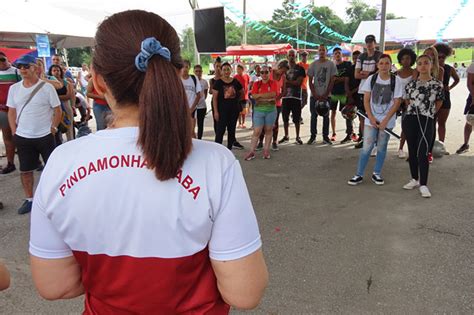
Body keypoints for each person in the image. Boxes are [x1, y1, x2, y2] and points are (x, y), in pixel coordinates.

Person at [29, 10, 267, 313]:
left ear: (99, 82)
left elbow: (56, 285)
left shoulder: (62, 162)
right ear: (177, 71)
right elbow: (244, 293)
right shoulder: (216, 163)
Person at [6, 54, 61, 214]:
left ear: (35, 68)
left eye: (26, 66)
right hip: (24, 136)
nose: (23, 70)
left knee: (51, 169)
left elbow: (57, 110)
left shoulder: (47, 87)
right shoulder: (14, 89)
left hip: (45, 135)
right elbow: (11, 112)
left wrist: (54, 128)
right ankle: (29, 199)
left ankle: (54, 199)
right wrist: (14, 131)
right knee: (25, 170)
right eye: (20, 67)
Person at [347, 54, 403, 186]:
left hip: (387, 121)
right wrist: (371, 118)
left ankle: (376, 173)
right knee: (367, 147)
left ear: (391, 65)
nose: (384, 66)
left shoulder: (396, 80)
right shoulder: (371, 79)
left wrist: (385, 121)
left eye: (387, 63)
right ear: (377, 65)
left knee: (382, 147)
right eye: (381, 63)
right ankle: (358, 174)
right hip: (370, 120)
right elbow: (366, 99)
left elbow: (397, 102)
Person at [402, 55, 444, 198]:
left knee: (423, 152)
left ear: (431, 65)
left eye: (426, 63)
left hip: (427, 120)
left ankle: (424, 184)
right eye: (420, 64)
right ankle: (414, 179)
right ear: (417, 67)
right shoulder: (411, 84)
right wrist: (414, 112)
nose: (423, 66)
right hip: (410, 119)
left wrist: (429, 113)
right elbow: (407, 101)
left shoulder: (437, 84)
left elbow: (439, 102)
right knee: (412, 151)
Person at [354, 34, 383, 149]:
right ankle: (365, 139)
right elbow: (356, 74)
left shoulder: (379, 55)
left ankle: (375, 141)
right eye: (367, 42)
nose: (369, 44)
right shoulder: (361, 56)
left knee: (375, 116)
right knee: (362, 116)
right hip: (363, 90)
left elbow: (380, 72)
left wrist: (366, 74)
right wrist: (371, 74)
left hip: (376, 90)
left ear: (375, 43)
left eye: (371, 42)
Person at [244, 65, 278, 160]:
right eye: (262, 72)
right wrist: (267, 98)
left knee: (268, 130)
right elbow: (254, 96)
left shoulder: (273, 83)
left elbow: (273, 95)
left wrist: (260, 97)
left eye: (266, 72)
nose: (264, 74)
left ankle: (266, 150)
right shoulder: (256, 83)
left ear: (269, 73)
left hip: (270, 111)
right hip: (259, 111)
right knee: (257, 131)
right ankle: (251, 151)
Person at [307, 44, 337, 145]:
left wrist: (326, 93)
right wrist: (315, 94)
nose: (321, 52)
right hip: (314, 96)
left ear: (326, 51)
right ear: (318, 52)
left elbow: (332, 81)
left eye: (323, 50)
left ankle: (325, 137)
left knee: (326, 116)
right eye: (320, 50)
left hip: (327, 95)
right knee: (313, 116)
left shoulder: (331, 64)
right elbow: (310, 81)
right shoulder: (313, 64)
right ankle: (312, 136)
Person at [213, 62, 245, 150]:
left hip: (233, 111)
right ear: (221, 71)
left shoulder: (235, 81)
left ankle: (229, 150)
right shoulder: (218, 83)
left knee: (231, 131)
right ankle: (217, 150)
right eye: (224, 70)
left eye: (228, 69)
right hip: (222, 111)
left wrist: (237, 100)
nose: (226, 71)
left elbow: (242, 92)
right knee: (220, 131)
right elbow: (214, 99)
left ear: (231, 70)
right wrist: (216, 112)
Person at [433, 43, 460, 149]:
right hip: (433, 98)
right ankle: (430, 145)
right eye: (438, 57)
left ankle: (441, 146)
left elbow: (457, 79)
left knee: (442, 123)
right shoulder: (431, 68)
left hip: (445, 97)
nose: (440, 59)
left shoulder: (449, 68)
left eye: (443, 57)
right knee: (431, 124)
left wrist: (450, 87)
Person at [0, 51, 21, 174]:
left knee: (14, 136)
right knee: (7, 137)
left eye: (2, 59)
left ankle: (12, 162)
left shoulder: (16, 72)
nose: (1, 62)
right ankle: (10, 163)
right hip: (2, 109)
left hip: (12, 109)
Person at [278, 49, 306, 145]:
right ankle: (286, 136)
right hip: (285, 97)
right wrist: (288, 83)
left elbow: (298, 83)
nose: (291, 57)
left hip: (296, 96)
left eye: (293, 55)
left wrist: (287, 82)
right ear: (287, 57)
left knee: (296, 118)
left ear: (295, 56)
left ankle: (298, 137)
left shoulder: (300, 69)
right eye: (289, 55)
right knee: (285, 117)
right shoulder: (283, 68)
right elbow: (279, 81)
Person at [395, 48, 417, 159]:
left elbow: (413, 88)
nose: (405, 60)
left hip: (409, 102)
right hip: (397, 101)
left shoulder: (415, 72)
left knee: (407, 127)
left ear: (412, 59)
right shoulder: (396, 73)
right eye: (403, 58)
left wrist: (406, 99)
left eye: (408, 58)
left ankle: (402, 148)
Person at [329, 47, 352, 143]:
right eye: (335, 53)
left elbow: (348, 78)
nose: (337, 55)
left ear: (342, 54)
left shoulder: (347, 64)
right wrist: (340, 79)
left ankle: (350, 133)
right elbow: (331, 80)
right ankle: (334, 133)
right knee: (333, 113)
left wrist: (337, 79)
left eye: (339, 53)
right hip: (334, 93)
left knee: (348, 114)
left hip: (344, 93)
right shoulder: (331, 67)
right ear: (333, 56)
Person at [48, 64, 75, 142]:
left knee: (68, 127)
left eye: (58, 70)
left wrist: (54, 98)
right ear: (51, 72)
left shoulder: (66, 82)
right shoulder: (49, 82)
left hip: (66, 105)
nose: (56, 72)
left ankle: (71, 143)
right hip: (53, 108)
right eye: (54, 70)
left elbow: (69, 95)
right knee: (56, 127)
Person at [456, 62, 474, 154]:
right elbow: (470, 84)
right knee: (470, 120)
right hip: (473, 96)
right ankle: (465, 144)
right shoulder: (473, 66)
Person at [181, 59, 202, 138]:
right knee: (181, 131)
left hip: (192, 109)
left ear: (189, 68)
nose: (184, 69)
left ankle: (193, 148)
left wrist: (192, 108)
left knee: (191, 131)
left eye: (186, 67)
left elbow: (198, 95)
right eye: (183, 67)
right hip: (180, 110)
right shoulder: (177, 80)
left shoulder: (194, 78)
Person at [348, 50, 362, 142]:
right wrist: (348, 93)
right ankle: (350, 133)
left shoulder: (363, 69)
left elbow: (362, 84)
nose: (355, 60)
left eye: (357, 58)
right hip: (350, 95)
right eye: (354, 58)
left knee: (362, 116)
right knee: (349, 114)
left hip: (360, 94)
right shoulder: (350, 68)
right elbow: (346, 81)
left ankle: (361, 136)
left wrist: (353, 91)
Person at [193, 64, 208, 140]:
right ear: (193, 72)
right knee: (192, 124)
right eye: (196, 71)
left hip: (202, 106)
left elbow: (205, 93)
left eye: (200, 71)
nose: (198, 73)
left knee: (200, 124)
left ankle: (199, 138)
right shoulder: (191, 81)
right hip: (192, 107)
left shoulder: (204, 82)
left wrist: (201, 100)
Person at [209, 57, 222, 134]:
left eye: (219, 67)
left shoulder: (224, 79)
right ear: (214, 67)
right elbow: (210, 91)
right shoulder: (212, 80)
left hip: (223, 102)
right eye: (216, 66)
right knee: (216, 119)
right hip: (214, 102)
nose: (218, 69)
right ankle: (217, 134)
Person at [234, 64, 250, 129]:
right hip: (238, 96)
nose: (238, 70)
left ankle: (243, 122)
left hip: (245, 96)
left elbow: (248, 84)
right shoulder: (235, 77)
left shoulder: (246, 76)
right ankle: (239, 123)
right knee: (238, 111)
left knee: (244, 110)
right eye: (237, 69)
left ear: (242, 70)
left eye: (239, 69)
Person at [298, 51, 310, 124]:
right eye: (303, 56)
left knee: (304, 102)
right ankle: (298, 116)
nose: (304, 57)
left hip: (305, 86)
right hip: (299, 87)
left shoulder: (309, 66)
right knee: (299, 102)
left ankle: (295, 113)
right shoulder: (298, 65)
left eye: (305, 56)